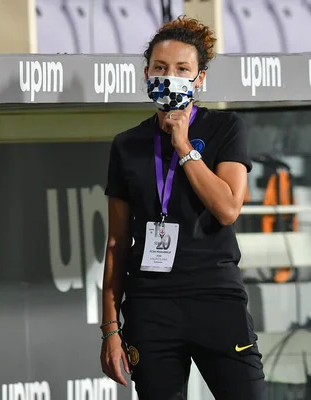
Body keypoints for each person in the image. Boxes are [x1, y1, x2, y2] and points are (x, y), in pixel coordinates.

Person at [99, 16, 266, 400]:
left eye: (181, 69)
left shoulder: (226, 128)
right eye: (160, 68)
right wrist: (110, 329)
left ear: (199, 78)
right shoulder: (127, 145)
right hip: (151, 307)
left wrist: (184, 147)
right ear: (146, 74)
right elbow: (116, 244)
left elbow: (227, 208)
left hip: (216, 299)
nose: (168, 77)